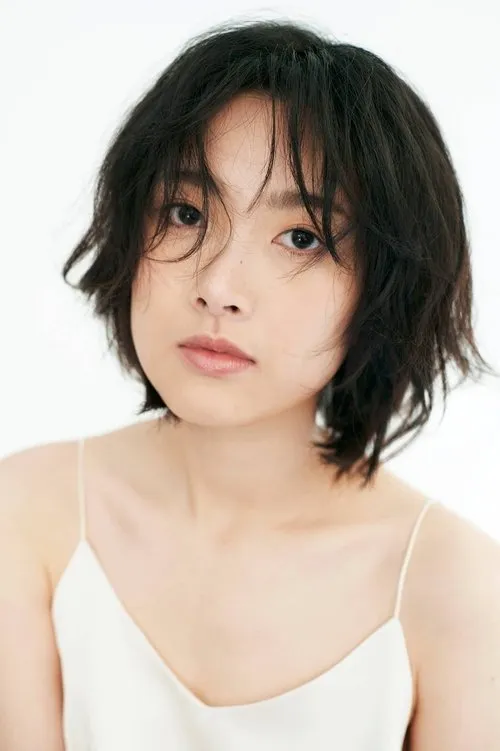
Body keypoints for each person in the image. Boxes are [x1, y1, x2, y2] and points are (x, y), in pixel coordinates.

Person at [1, 17, 499, 751]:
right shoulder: (26, 515)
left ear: (384, 286)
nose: (219, 286)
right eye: (186, 213)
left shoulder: (453, 586)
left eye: (302, 237)